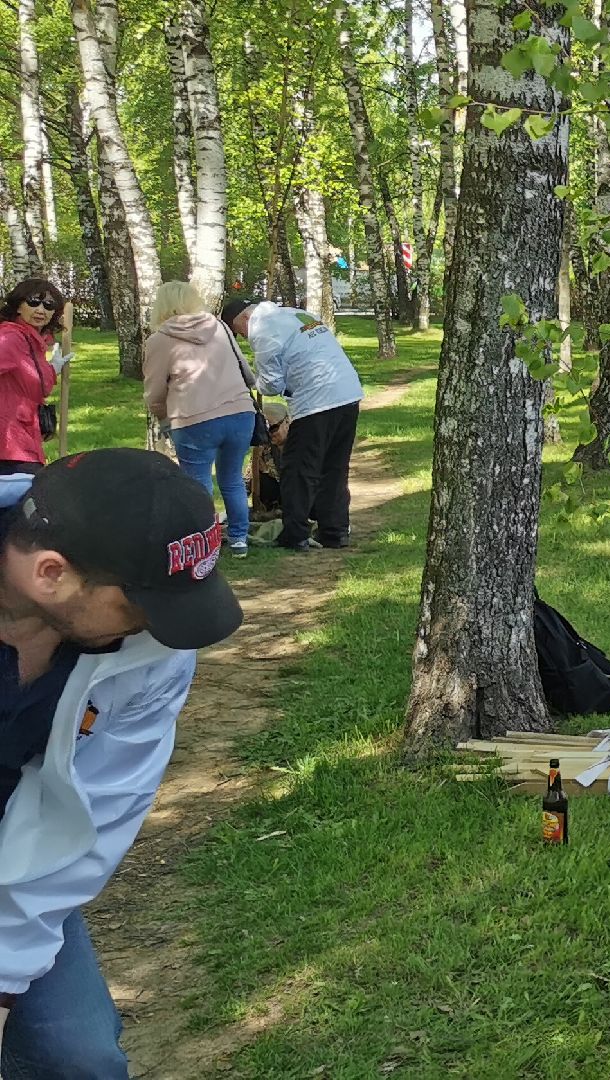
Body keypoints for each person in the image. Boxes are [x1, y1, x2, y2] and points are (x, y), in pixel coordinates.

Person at [0, 447, 246, 1074]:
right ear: (50, 574)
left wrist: (3, 980)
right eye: (138, 603)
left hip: (20, 852)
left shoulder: (156, 642)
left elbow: (101, 806)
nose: (160, 628)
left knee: (77, 1058)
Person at [221, 298, 362, 551]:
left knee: (299, 468)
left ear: (243, 320)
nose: (242, 338)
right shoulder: (294, 314)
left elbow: (272, 384)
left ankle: (295, 533)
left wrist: (255, 380)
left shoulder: (261, 332)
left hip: (316, 400)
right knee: (335, 467)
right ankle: (335, 530)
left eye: (237, 332)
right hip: (348, 393)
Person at [145, 282, 259, 559]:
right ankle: (239, 538)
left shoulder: (159, 339)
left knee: (198, 482)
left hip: (194, 417)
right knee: (231, 478)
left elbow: (155, 390)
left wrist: (161, 416)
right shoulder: (219, 326)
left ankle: (206, 541)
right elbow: (245, 367)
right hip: (240, 411)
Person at [0, 279, 71, 474]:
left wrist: (52, 369)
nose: (41, 309)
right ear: (18, 306)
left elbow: (36, 385)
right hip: (8, 444)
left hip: (24, 438)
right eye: (33, 302)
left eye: (49, 305)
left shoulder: (34, 342)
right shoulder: (11, 338)